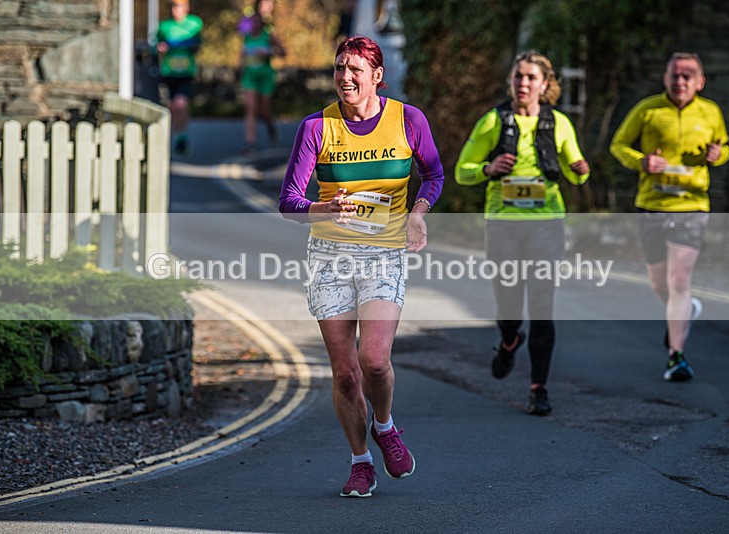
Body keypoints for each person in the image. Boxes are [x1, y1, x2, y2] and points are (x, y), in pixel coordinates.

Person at [278, 35, 444, 497]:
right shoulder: (317, 127)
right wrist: (323, 209)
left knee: (374, 361)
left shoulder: (408, 120)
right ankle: (360, 462)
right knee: (346, 372)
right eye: (338, 69)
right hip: (329, 257)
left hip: (384, 254)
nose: (345, 77)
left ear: (376, 77)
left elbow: (433, 174)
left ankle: (386, 426)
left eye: (355, 70)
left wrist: (417, 214)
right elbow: (289, 202)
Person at [455, 51, 590, 416]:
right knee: (510, 305)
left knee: (542, 307)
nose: (524, 83)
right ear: (510, 81)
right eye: (518, 77)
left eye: (531, 78)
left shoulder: (558, 123)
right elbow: (461, 172)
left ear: (544, 85)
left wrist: (580, 169)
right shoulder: (493, 122)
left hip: (547, 224)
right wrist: (488, 168)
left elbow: (577, 172)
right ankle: (509, 339)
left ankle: (539, 388)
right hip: (504, 225)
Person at [610, 52, 729, 382]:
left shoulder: (711, 112)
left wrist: (718, 156)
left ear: (700, 81)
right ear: (665, 78)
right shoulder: (648, 109)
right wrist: (642, 161)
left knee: (679, 280)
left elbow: (724, 149)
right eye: (675, 75)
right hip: (652, 204)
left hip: (692, 207)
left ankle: (676, 356)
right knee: (659, 283)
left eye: (687, 75)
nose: (680, 81)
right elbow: (618, 145)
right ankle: (685, 310)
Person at [154, 0, 203, 156]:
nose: (176, 9)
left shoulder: (195, 24)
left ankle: (181, 137)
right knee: (173, 107)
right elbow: (156, 43)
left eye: (179, 6)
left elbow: (199, 44)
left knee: (180, 104)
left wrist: (190, 46)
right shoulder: (164, 26)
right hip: (169, 72)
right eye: (173, 6)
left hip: (186, 72)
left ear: (186, 8)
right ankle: (178, 135)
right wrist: (161, 48)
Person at [238, 12, 285, 153]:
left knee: (264, 111)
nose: (254, 25)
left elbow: (282, 52)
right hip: (250, 77)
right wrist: (240, 70)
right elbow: (242, 56)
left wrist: (269, 52)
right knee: (251, 108)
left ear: (261, 24)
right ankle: (250, 142)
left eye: (257, 22)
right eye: (252, 22)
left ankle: (271, 126)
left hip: (265, 77)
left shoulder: (268, 36)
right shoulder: (246, 38)